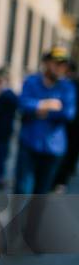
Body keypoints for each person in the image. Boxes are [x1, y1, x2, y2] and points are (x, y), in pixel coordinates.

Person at [14, 47, 76, 194]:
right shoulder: (31, 81)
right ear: (47, 63)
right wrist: (45, 104)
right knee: (22, 190)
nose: (61, 67)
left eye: (64, 64)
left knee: (41, 194)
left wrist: (38, 109)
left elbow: (68, 113)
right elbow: (22, 105)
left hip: (53, 149)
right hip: (29, 144)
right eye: (57, 63)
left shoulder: (67, 87)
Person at [53, 60, 79, 192]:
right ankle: (61, 179)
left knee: (69, 153)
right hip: (67, 125)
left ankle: (60, 180)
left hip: (72, 125)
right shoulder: (64, 84)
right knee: (69, 153)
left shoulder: (69, 85)